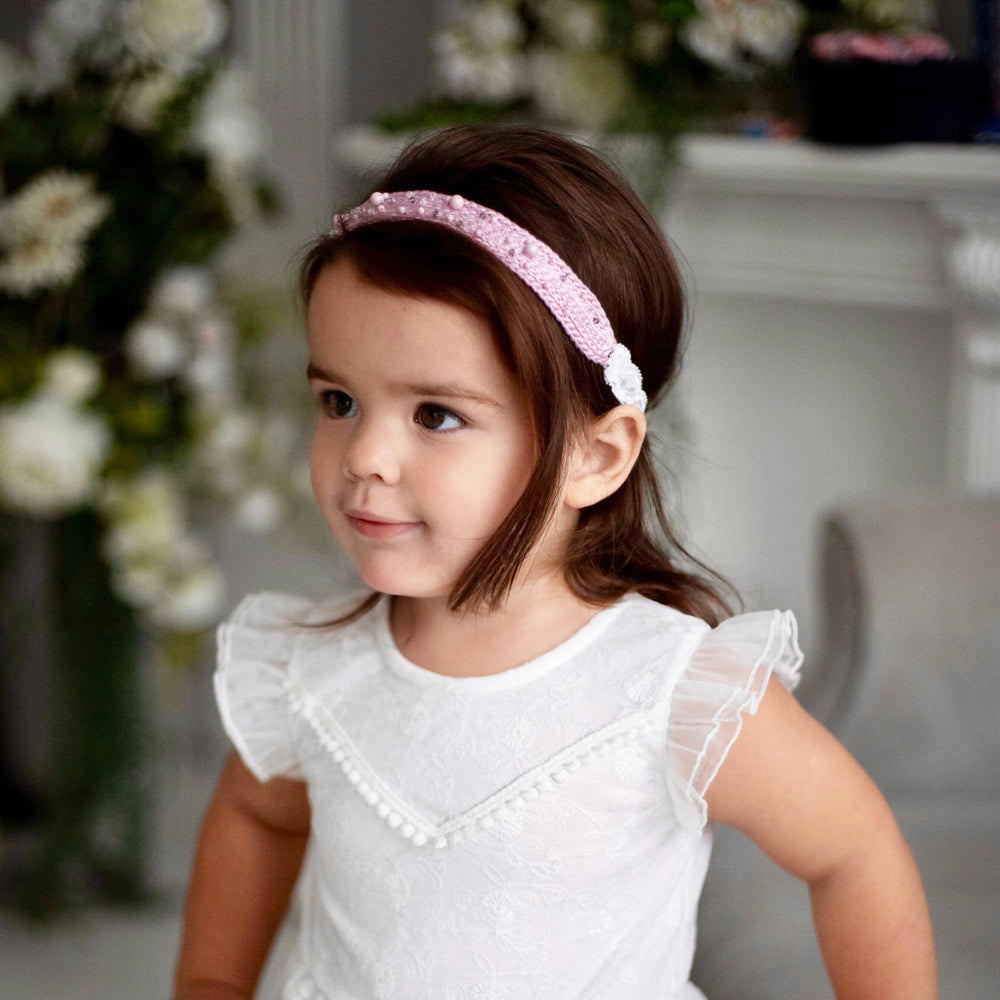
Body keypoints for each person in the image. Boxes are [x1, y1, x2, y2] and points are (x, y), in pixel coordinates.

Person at [174, 125, 936, 1000]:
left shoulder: (670, 692)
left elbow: (854, 853)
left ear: (597, 456)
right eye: (338, 401)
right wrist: (210, 983)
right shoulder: (308, 668)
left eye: (436, 415)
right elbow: (259, 814)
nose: (364, 457)